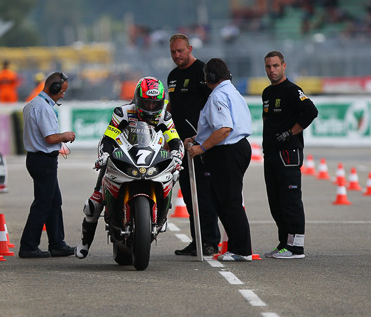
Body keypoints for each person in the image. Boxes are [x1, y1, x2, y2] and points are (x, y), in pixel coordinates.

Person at [76, 76, 184, 259]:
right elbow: (109, 137)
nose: (150, 108)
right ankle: (85, 242)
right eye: (146, 103)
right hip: (124, 154)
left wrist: (177, 156)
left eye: (154, 104)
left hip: (150, 155)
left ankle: (161, 214)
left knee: (173, 175)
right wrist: (104, 155)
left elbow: (175, 140)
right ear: (137, 99)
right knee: (93, 205)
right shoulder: (123, 112)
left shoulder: (165, 116)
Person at [186, 58, 253, 262]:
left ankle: (241, 250)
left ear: (210, 76)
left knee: (229, 201)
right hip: (236, 148)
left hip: (228, 151)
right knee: (220, 199)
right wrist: (197, 138)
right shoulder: (231, 92)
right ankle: (236, 246)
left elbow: (224, 129)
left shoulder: (217, 96)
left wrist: (201, 147)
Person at [167, 33, 221, 256]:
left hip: (201, 144)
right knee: (189, 196)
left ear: (190, 49)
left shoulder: (202, 71)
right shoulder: (171, 76)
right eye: (173, 52)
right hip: (181, 145)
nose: (177, 55)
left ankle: (210, 241)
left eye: (180, 50)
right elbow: (173, 106)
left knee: (204, 195)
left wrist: (204, 138)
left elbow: (216, 101)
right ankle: (197, 239)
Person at [262, 51, 318, 259]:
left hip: (288, 153)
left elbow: (311, 111)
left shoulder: (292, 90)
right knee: (275, 201)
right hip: (271, 153)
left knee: (290, 200)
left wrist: (290, 133)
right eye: (268, 67)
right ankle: (284, 243)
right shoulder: (267, 92)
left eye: (275, 66)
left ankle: (296, 247)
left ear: (284, 66)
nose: (272, 70)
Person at [19, 72, 75, 258]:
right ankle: (28, 245)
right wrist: (66, 135)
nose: (62, 95)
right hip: (43, 160)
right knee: (43, 204)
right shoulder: (43, 108)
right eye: (62, 92)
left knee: (53, 201)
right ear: (54, 88)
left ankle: (57, 243)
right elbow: (50, 137)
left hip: (38, 159)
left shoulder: (33, 104)